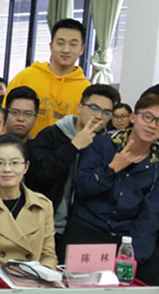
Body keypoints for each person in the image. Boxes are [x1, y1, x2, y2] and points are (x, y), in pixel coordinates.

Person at [67, 93, 159, 283]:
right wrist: (111, 169)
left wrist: (131, 258)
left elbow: (150, 216)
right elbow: (82, 187)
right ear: (133, 118)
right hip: (88, 229)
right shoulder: (103, 144)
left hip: (126, 237)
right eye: (147, 117)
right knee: (85, 286)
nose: (152, 125)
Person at [25, 84, 120, 261]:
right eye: (94, 108)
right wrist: (74, 146)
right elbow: (38, 176)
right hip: (46, 225)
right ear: (80, 107)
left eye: (107, 112)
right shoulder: (52, 134)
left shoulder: (109, 145)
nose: (99, 116)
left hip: (85, 229)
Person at [0, 135, 58, 269]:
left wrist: (41, 275)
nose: (7, 169)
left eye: (14, 163)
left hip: (33, 278)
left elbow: (48, 256)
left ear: (26, 167)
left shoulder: (43, 205)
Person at [5, 18, 91, 138]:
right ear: (51, 46)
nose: (66, 50)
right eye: (60, 43)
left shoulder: (86, 90)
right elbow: (4, 116)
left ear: (81, 49)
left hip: (65, 149)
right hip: (20, 147)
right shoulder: (26, 76)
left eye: (73, 44)